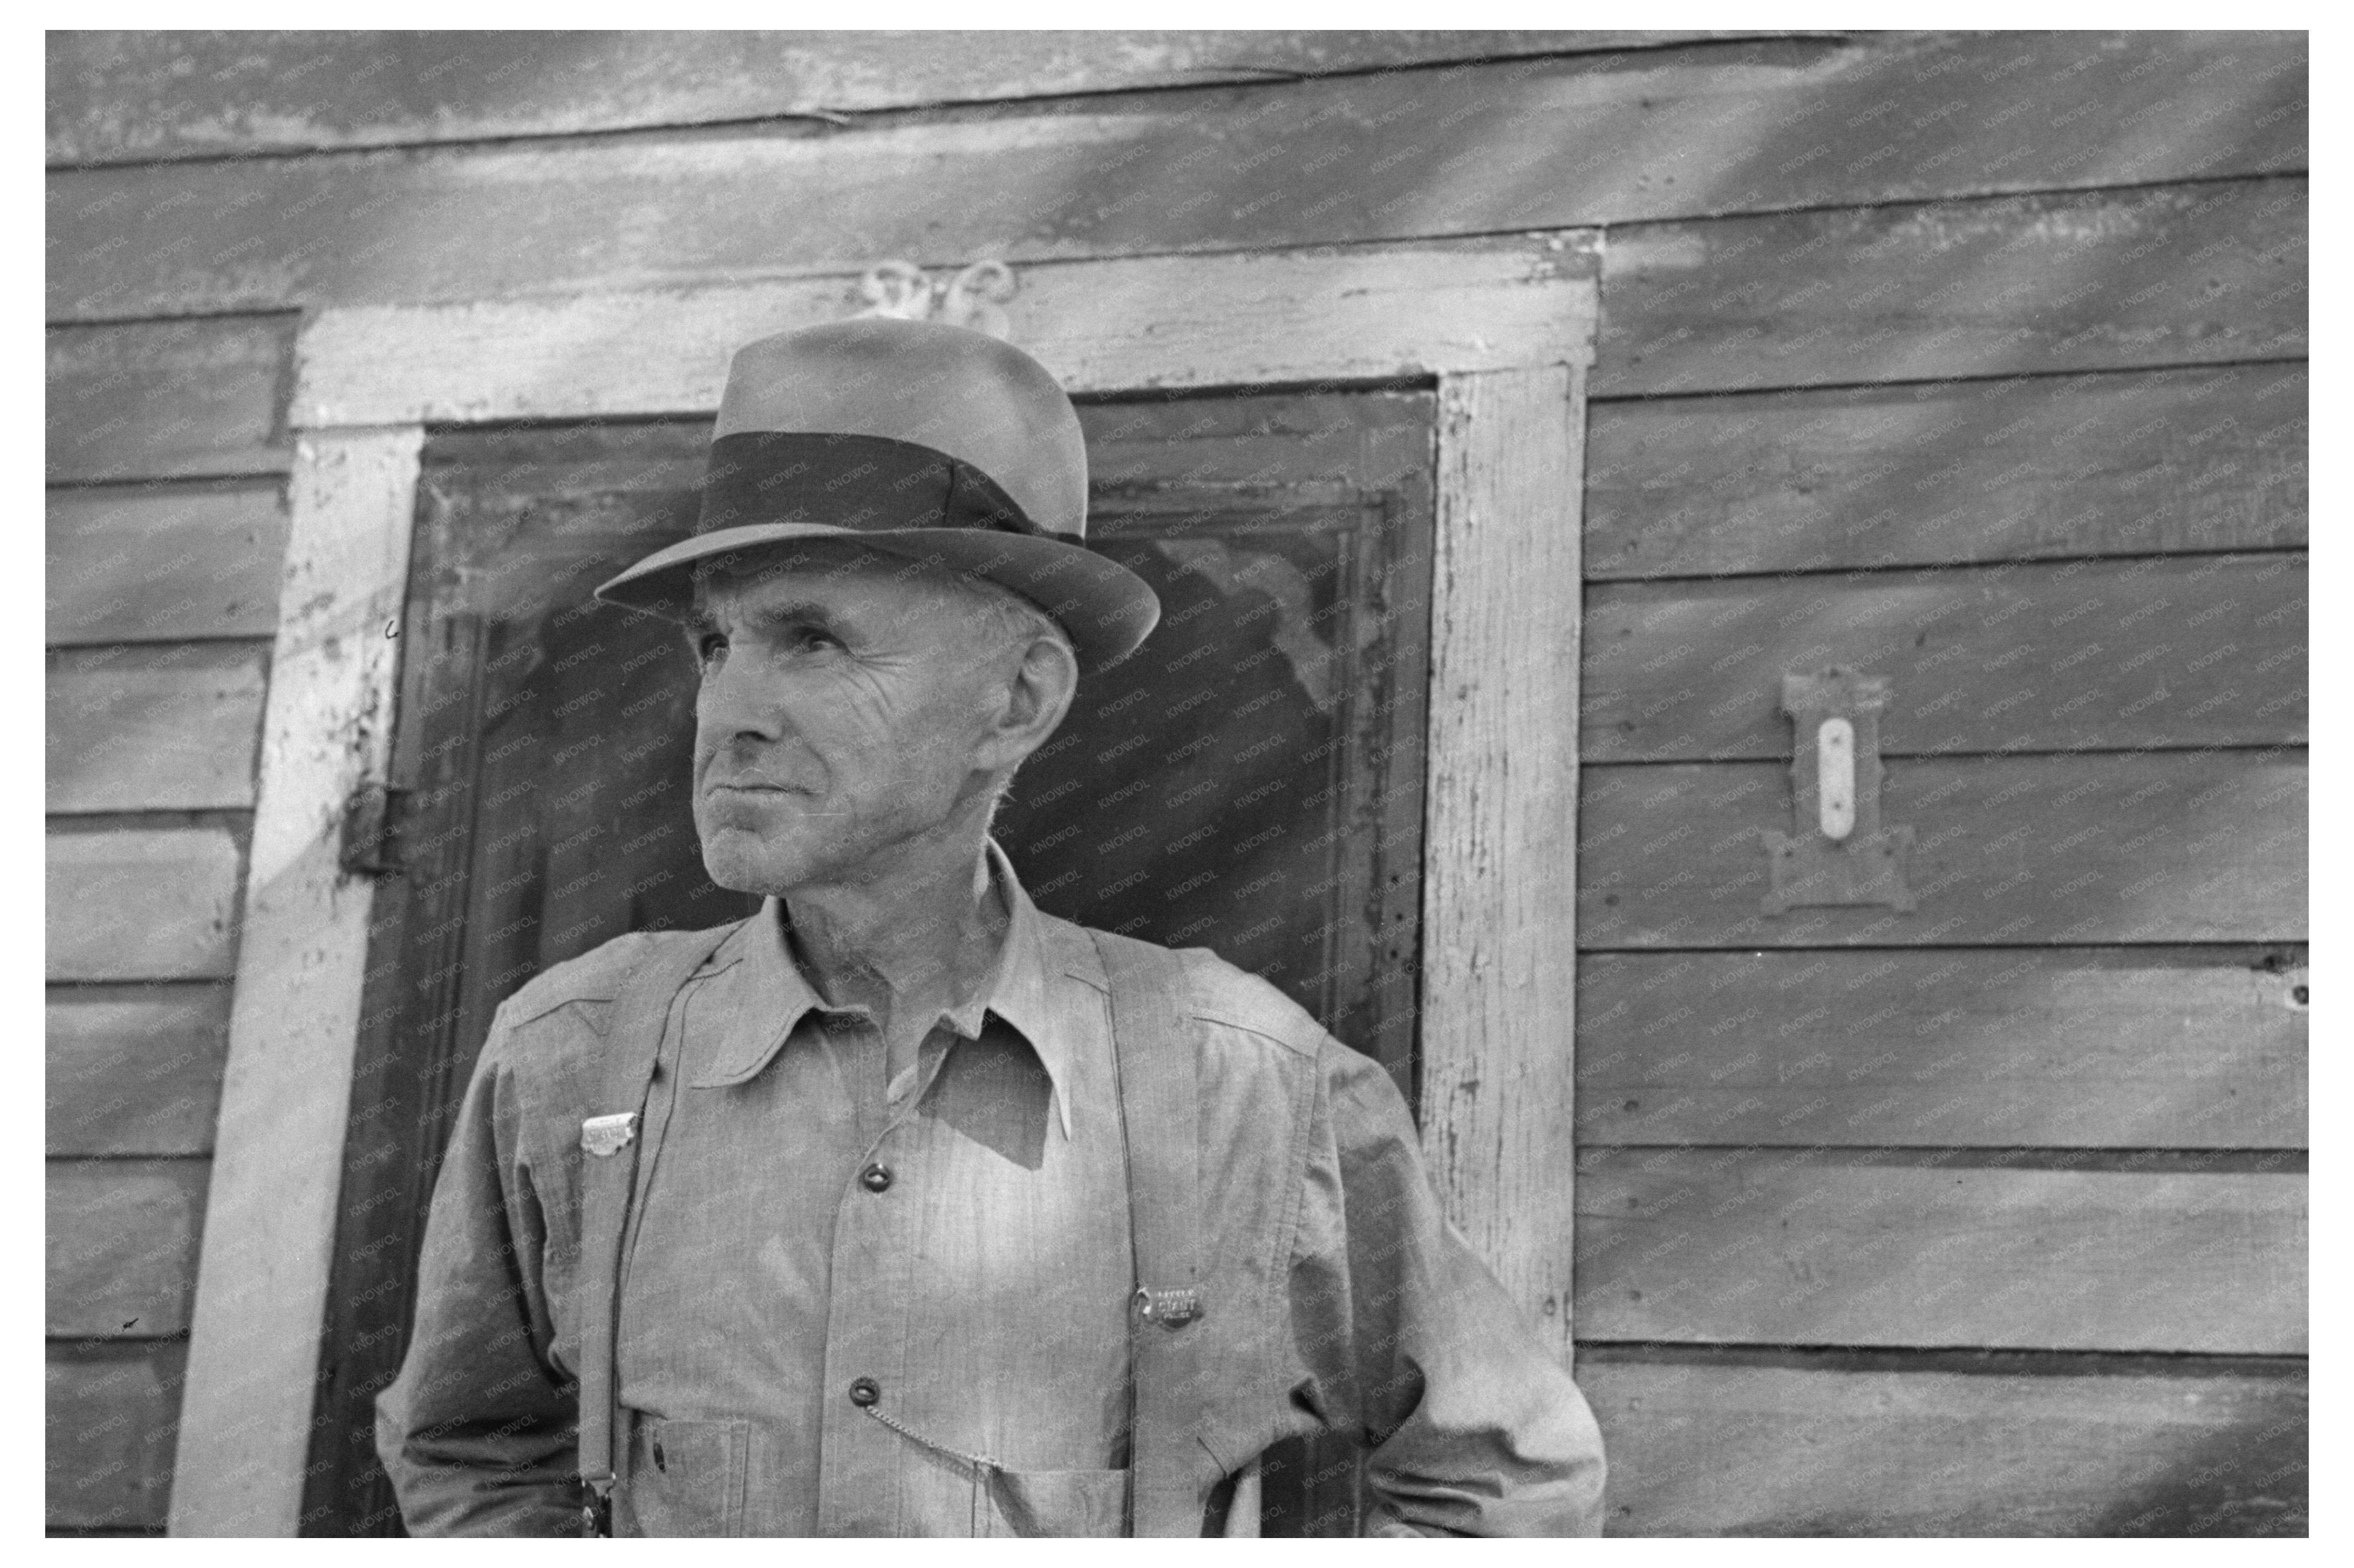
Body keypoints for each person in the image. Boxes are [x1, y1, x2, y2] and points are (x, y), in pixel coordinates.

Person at [375, 317, 1607, 1537]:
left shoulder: (1243, 1088)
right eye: (715, 643)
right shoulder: (568, 1059)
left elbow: (1501, 1477)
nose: (729, 710)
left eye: (812, 640)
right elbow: (471, 1451)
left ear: (1014, 702)